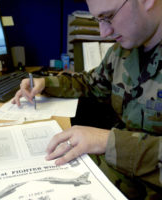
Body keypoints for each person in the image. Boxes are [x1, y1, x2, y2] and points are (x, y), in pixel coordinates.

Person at [12, 0, 162, 199]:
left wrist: (107, 141)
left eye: (108, 17)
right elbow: (91, 83)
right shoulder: (123, 51)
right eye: (99, 20)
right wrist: (46, 83)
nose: (104, 32)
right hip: (118, 171)